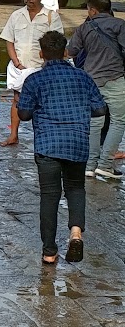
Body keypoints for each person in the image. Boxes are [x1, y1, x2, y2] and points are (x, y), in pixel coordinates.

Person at [18, 30, 105, 264]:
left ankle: (49, 252)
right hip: (77, 143)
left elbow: (24, 115)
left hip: (47, 146)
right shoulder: (83, 77)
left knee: (49, 196)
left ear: (41, 54)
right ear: (66, 52)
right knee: (75, 188)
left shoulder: (34, 80)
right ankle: (76, 232)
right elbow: (100, 109)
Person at [66, 0, 125, 181]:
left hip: (90, 81)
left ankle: (90, 166)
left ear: (92, 10)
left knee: (94, 123)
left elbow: (71, 52)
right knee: (118, 121)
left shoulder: (84, 28)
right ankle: (105, 164)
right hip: (115, 78)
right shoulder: (120, 25)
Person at [0, 0, 63, 146]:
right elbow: (9, 41)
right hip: (19, 66)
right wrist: (16, 62)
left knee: (42, 103)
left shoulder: (50, 16)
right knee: (17, 100)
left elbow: (57, 42)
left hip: (41, 67)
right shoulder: (16, 15)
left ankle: (43, 137)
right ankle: (13, 135)